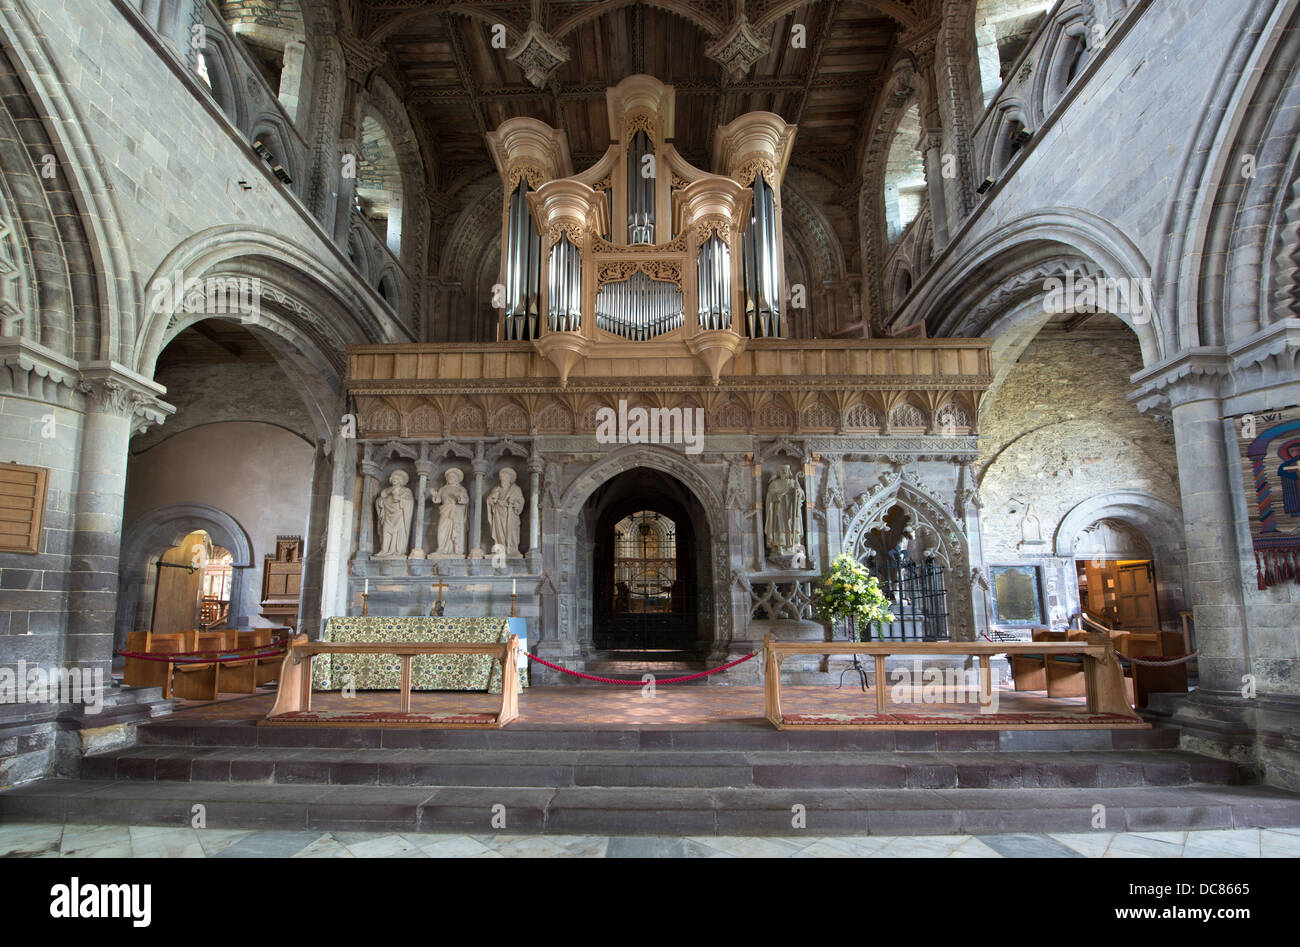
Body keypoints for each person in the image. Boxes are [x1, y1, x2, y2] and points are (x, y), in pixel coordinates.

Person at [374, 469, 414, 558]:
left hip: (399, 515)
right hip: (388, 514)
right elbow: (380, 500)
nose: (395, 479)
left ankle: (397, 551)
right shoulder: (386, 490)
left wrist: (399, 499)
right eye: (393, 478)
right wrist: (381, 501)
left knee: (398, 532)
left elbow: (410, 503)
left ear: (401, 481)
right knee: (385, 530)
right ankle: (384, 550)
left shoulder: (406, 491)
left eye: (397, 478)